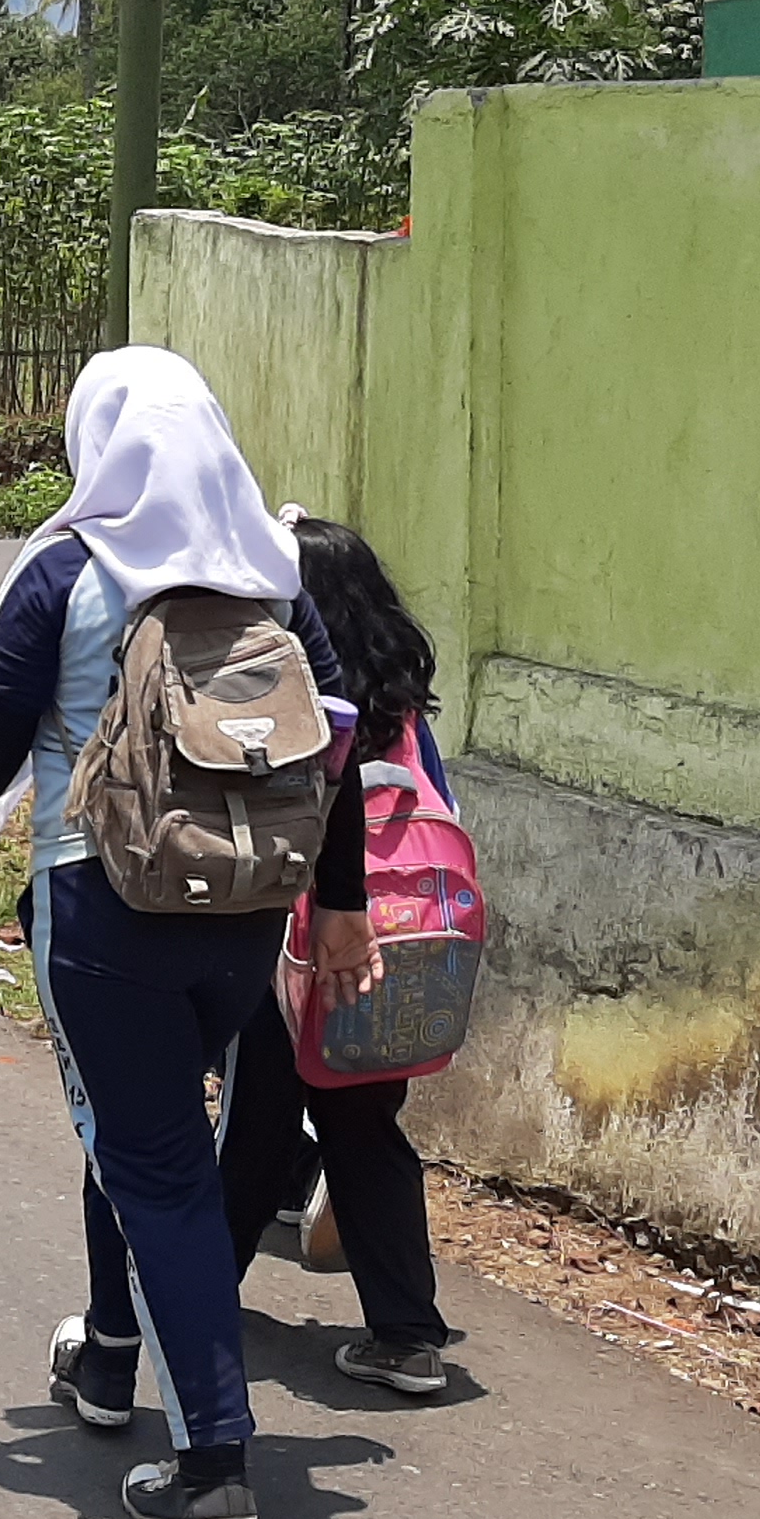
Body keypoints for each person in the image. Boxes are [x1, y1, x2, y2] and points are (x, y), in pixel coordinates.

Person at [0, 348, 377, 1519]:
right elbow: (332, 744)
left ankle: (212, 1460)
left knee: (154, 1162)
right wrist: (341, 900)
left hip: (101, 909)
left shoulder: (68, 571)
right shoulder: (272, 578)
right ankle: (106, 1358)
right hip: (244, 917)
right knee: (139, 1125)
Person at [220, 514, 459, 1395]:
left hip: (291, 945)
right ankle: (407, 1335)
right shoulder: (402, 714)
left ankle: (186, 1303)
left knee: (253, 1130)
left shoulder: (285, 696)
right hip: (394, 949)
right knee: (366, 1129)